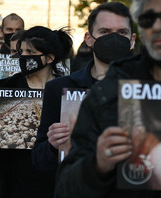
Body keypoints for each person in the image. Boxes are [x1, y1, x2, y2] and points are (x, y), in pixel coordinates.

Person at [56, 0, 161, 197]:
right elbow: (65, 188)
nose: (158, 26)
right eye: (148, 19)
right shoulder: (109, 91)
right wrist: (97, 165)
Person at [32, 1, 136, 173]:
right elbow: (40, 161)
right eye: (104, 32)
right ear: (89, 39)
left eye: (122, 32)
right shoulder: (59, 88)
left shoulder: (151, 89)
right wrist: (52, 145)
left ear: (132, 40)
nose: (113, 38)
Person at [0, 25, 73, 198]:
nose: (24, 57)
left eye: (31, 52)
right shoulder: (3, 89)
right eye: (22, 52)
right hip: (14, 184)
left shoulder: (68, 91)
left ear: (49, 58)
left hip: (55, 183)